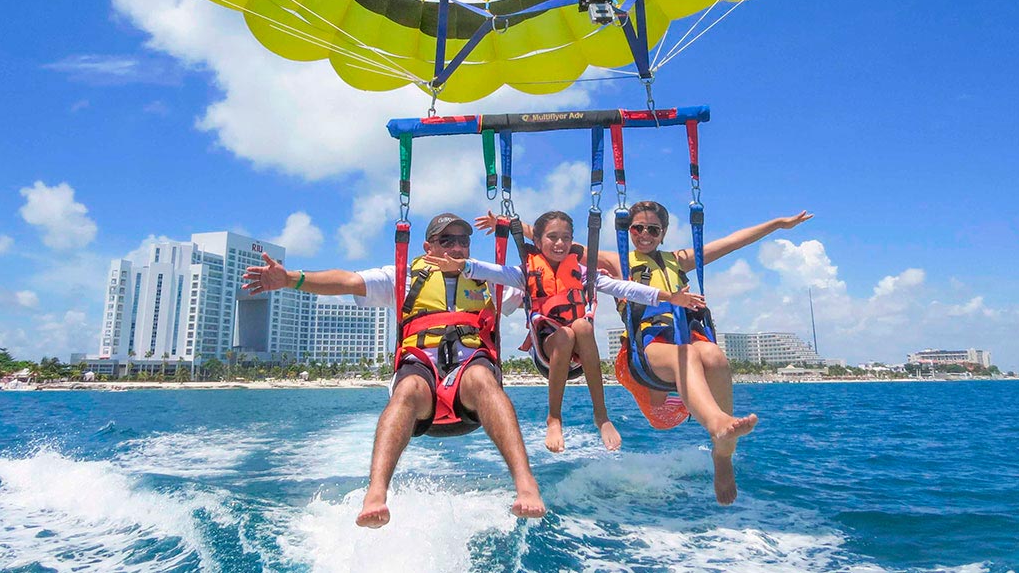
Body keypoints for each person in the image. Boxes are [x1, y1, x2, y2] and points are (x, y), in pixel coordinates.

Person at [478, 205, 812, 505]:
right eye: (637, 228)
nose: (644, 235)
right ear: (627, 232)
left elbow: (734, 242)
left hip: (682, 337)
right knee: (688, 356)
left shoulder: (678, 260)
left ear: (663, 233)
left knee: (714, 356)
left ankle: (722, 454)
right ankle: (716, 423)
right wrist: (506, 224)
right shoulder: (615, 260)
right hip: (641, 351)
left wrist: (778, 224)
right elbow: (551, 242)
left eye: (653, 229)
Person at [242, 213, 545, 528]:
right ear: (428, 247)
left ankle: (525, 484)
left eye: (463, 240)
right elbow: (348, 281)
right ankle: (376, 493)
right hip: (422, 374)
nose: (457, 247)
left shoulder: (489, 276)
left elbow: (546, 282)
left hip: (471, 379)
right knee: (407, 389)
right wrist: (291, 279)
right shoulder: (405, 275)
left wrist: (525, 234)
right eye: (447, 240)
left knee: (482, 378)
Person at [426, 210, 704, 455]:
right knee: (566, 334)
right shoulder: (526, 272)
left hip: (578, 354)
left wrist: (668, 296)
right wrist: (464, 266)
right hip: (548, 348)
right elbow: (495, 272)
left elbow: (625, 288)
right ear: (538, 241)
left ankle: (601, 416)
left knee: (581, 325)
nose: (559, 244)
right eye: (552, 237)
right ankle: (554, 418)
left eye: (565, 238)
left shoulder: (583, 273)